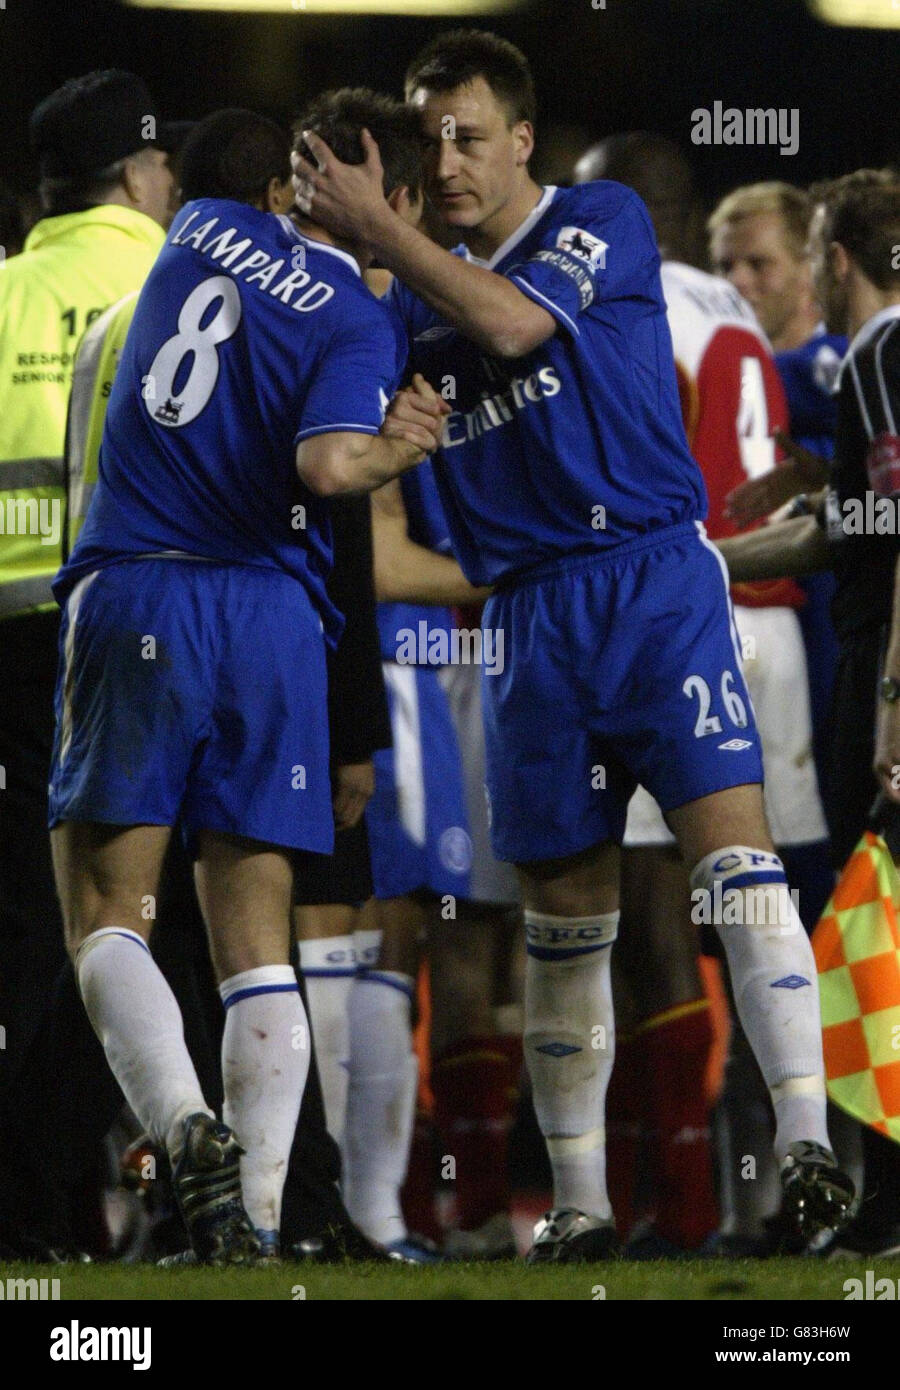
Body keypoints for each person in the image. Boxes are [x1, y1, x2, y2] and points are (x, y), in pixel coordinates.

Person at [292, 27, 855, 1261]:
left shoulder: (593, 219)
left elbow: (512, 332)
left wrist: (380, 235)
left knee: (731, 867)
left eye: (468, 135)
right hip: (529, 618)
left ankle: (806, 1141)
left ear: (524, 140)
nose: (445, 161)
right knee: (566, 919)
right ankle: (586, 1207)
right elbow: (357, 448)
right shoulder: (417, 302)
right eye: (428, 137)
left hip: (655, 586)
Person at [47, 98, 447, 1265]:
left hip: (145, 589)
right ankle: (256, 1229)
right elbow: (330, 465)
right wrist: (404, 443)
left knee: (105, 916)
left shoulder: (199, 224)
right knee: (255, 944)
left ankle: (184, 1134)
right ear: (396, 202)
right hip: (277, 624)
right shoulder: (364, 326)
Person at [572, 135, 832, 1255]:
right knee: (761, 909)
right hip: (768, 620)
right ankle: (795, 1185)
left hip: (682, 616)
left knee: (655, 930)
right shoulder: (730, 306)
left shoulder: (622, 307)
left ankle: (674, 1210)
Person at [718, 172, 900, 1256]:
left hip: (879, 662)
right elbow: (862, 522)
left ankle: (886, 1200)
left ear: (835, 260)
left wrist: (888, 704)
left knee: (873, 939)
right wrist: (718, 556)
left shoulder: (878, 351)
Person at [0, 72, 178, 1127]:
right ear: (138, 173)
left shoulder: (7, 290)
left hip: (15, 650)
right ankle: (205, 1178)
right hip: (152, 627)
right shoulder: (183, 282)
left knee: (39, 917)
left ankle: (35, 1190)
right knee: (174, 921)